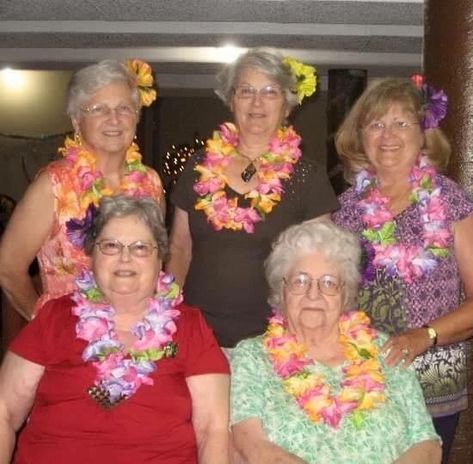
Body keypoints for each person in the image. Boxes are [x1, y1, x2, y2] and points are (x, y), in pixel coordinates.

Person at [0, 195, 230, 463]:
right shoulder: (55, 316)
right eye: (110, 245)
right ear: (91, 255)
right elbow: (4, 410)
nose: (124, 258)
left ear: (160, 260)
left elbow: (212, 431)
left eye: (141, 247)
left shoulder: (190, 327)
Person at [332, 77, 473, 463]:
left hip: (432, 382)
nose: (387, 135)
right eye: (375, 124)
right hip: (359, 377)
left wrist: (424, 335)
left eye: (401, 123)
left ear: (424, 135)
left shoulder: (450, 199)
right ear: (359, 137)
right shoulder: (346, 209)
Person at [167, 48, 338, 348]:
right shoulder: (197, 166)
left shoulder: (308, 177)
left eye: (270, 92)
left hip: (274, 339)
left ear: (286, 105)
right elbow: (179, 249)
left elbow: (320, 266)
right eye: (246, 91)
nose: (257, 102)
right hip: (197, 334)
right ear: (231, 100)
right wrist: (168, 316)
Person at [230, 220, 441, 464]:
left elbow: (427, 444)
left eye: (328, 283)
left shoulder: (384, 349)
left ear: (345, 293)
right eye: (300, 281)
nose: (313, 294)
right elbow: (251, 445)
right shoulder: (253, 357)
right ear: (282, 289)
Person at [0, 59, 164, 321]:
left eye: (124, 108)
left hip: (136, 335)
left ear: (136, 117)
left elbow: (155, 261)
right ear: (77, 121)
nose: (114, 119)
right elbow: (7, 267)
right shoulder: (53, 184)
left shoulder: (150, 183)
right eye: (99, 109)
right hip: (70, 343)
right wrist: (44, 326)